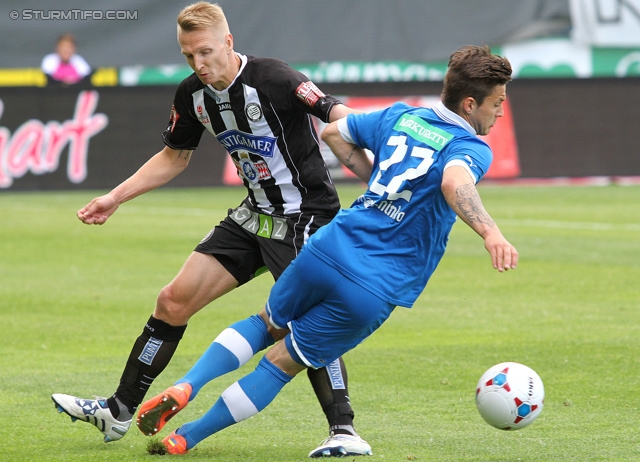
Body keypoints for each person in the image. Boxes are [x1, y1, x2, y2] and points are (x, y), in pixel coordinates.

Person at [136, 44, 518, 456]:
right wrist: (490, 232)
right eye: (497, 102)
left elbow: (334, 132)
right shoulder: (472, 147)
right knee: (282, 362)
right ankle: (185, 437)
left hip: (328, 246)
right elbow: (454, 182)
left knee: (265, 323)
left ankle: (186, 384)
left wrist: (377, 180)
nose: (500, 111)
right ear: (469, 102)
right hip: (374, 284)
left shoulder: (402, 115)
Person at [51, 2, 374, 458]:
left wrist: (386, 171)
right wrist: (115, 197)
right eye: (188, 56)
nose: (199, 65)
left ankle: (343, 430)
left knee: (303, 321)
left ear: (228, 41)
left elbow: (335, 112)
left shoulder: (276, 77)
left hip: (305, 216)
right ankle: (119, 409)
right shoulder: (192, 94)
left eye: (205, 52)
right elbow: (175, 156)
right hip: (252, 215)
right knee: (172, 300)